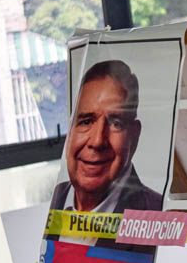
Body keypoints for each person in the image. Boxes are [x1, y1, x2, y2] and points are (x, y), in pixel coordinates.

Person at [47, 60, 162, 249]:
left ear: (134, 136)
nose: (98, 141)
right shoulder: (54, 200)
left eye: (116, 123)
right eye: (86, 121)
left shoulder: (158, 217)